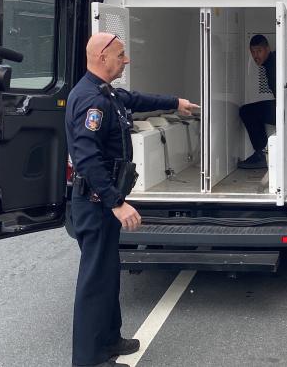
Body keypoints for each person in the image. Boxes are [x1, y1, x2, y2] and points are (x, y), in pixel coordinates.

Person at [67, 33, 198, 367]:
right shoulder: (90, 101)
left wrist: (174, 102)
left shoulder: (105, 92)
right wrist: (115, 202)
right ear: (101, 57)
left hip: (103, 201)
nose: (126, 60)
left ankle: (110, 339)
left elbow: (135, 98)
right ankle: (91, 360)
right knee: (95, 282)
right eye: (121, 55)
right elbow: (87, 159)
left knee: (109, 273)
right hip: (96, 202)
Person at [238, 34, 276, 169]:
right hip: (283, 106)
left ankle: (262, 155)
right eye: (253, 52)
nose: (256, 56)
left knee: (247, 111)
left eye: (259, 51)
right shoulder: (269, 63)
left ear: (267, 49)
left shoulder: (273, 64)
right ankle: (262, 153)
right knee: (249, 111)